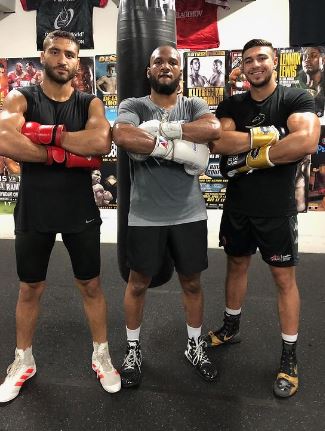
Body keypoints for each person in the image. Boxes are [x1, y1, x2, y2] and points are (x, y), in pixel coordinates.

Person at [0, 30, 121, 403]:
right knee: (30, 288)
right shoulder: (21, 96)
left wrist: (42, 136)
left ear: (77, 61)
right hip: (34, 209)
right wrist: (65, 153)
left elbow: (100, 143)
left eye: (70, 53)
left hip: (78, 210)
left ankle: (101, 353)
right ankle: (23, 360)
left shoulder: (90, 103)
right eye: (55, 51)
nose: (62, 59)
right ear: (43, 56)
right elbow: (4, 137)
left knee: (91, 285)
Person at [205, 39, 320, 398]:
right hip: (238, 206)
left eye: (262, 58)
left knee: (283, 279)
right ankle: (230, 327)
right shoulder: (231, 103)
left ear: (274, 62)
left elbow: (305, 142)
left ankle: (289, 357)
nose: (255, 65)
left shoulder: (295, 99)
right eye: (249, 60)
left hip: (276, 208)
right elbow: (219, 144)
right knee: (235, 266)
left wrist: (256, 158)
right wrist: (270, 136)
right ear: (241, 66)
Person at [112, 45, 221, 388]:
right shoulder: (133, 106)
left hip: (188, 213)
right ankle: (132, 350)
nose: (165, 66)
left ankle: (194, 344)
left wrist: (164, 135)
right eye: (158, 61)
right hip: (145, 216)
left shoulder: (193, 105)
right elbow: (123, 135)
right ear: (148, 70)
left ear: (181, 71)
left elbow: (212, 129)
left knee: (191, 282)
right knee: (138, 283)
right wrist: (182, 151)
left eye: (172, 61)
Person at [297, 47, 325, 118]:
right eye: (304, 57)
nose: (307, 60)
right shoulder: (295, 84)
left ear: (323, 60)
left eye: (313, 56)